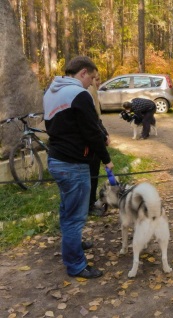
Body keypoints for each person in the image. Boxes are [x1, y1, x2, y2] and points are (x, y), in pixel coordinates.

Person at [43, 56, 114, 279]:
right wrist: (106, 159)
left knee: (67, 209)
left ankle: (73, 244)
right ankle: (76, 265)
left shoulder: (51, 91)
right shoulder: (78, 94)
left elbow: (51, 125)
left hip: (56, 160)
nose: (92, 83)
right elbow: (91, 131)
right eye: (91, 78)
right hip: (73, 165)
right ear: (83, 73)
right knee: (75, 217)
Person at [87, 72, 110, 216]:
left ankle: (90, 202)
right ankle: (89, 205)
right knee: (91, 175)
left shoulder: (92, 92)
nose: (98, 82)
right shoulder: (87, 92)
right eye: (96, 79)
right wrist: (102, 136)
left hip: (96, 140)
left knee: (93, 175)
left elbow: (97, 119)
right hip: (90, 146)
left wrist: (105, 134)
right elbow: (92, 123)